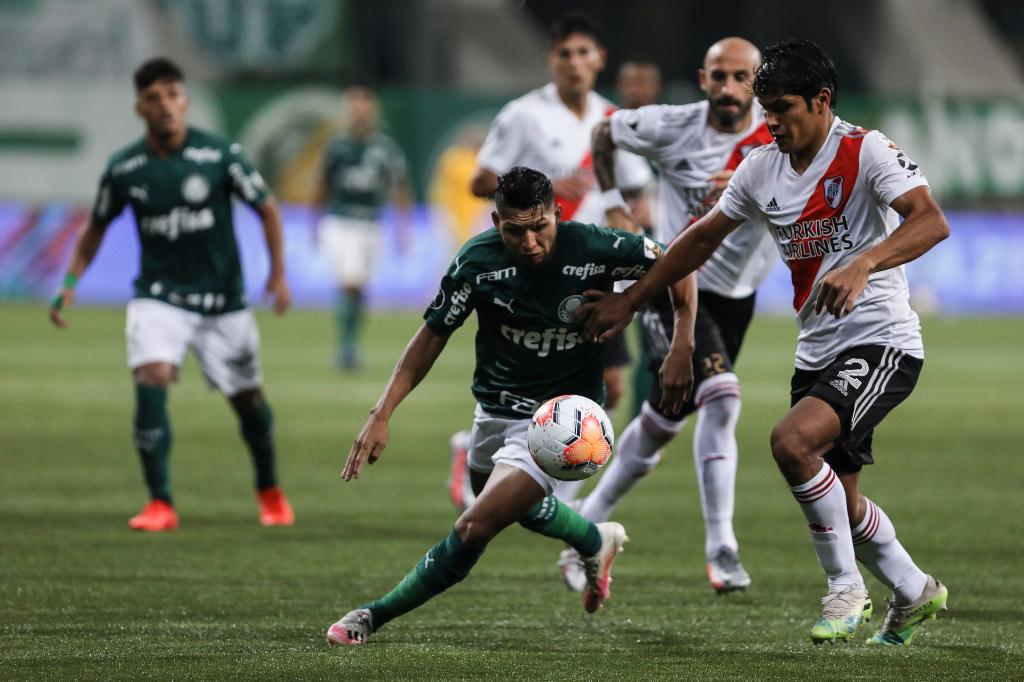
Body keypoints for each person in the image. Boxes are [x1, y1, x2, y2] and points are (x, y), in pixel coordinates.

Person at [578, 39, 950, 645]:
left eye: (781, 108)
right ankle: (914, 590)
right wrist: (630, 299)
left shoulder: (866, 150)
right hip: (818, 347)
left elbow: (930, 219)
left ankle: (844, 588)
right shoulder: (760, 167)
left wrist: (865, 264)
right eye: (764, 107)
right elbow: (698, 241)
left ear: (822, 101)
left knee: (790, 442)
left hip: (882, 341)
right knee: (844, 503)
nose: (769, 121)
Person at [326, 166, 695, 646]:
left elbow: (679, 263)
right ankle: (592, 540)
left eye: (539, 227)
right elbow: (433, 334)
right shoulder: (477, 261)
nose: (530, 242)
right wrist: (382, 412)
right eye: (514, 230)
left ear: (556, 215)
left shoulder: (597, 247)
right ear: (497, 220)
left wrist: (677, 339)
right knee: (507, 507)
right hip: (494, 412)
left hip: (562, 421)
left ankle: (371, 617)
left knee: (474, 526)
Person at [49, 58, 294, 531]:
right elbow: (94, 229)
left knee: (249, 402)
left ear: (185, 100)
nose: (165, 106)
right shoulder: (125, 169)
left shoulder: (221, 155)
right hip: (158, 296)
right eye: (153, 98)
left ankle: (269, 489)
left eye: (173, 94)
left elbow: (267, 208)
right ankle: (160, 501)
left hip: (223, 303)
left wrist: (278, 274)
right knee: (152, 374)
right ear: (139, 107)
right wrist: (70, 283)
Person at [570, 37, 776, 594]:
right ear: (702, 77)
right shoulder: (672, 123)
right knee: (724, 397)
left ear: (757, 82)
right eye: (719, 76)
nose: (729, 88)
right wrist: (613, 199)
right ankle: (722, 547)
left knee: (664, 420)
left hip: (739, 292)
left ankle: (583, 527)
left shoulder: (778, 132)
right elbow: (604, 133)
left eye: (741, 78)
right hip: (671, 280)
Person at [451, 12, 654, 523]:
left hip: (593, 273)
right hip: (535, 269)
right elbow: (480, 182)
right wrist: (544, 187)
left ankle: (542, 473)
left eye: (583, 53)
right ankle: (497, 459)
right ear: (552, 60)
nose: (574, 63)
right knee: (547, 376)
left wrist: (633, 224)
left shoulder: (610, 120)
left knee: (612, 386)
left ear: (598, 59)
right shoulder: (524, 115)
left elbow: (630, 194)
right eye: (564, 54)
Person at [317, 84, 412, 370]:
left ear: (373, 111)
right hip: (341, 221)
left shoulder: (385, 148)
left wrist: (403, 226)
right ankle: (345, 349)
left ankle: (351, 343)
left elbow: (400, 186)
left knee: (360, 289)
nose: (359, 114)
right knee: (350, 282)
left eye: (364, 108)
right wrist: (313, 219)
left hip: (372, 223)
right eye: (354, 108)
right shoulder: (337, 147)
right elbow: (322, 185)